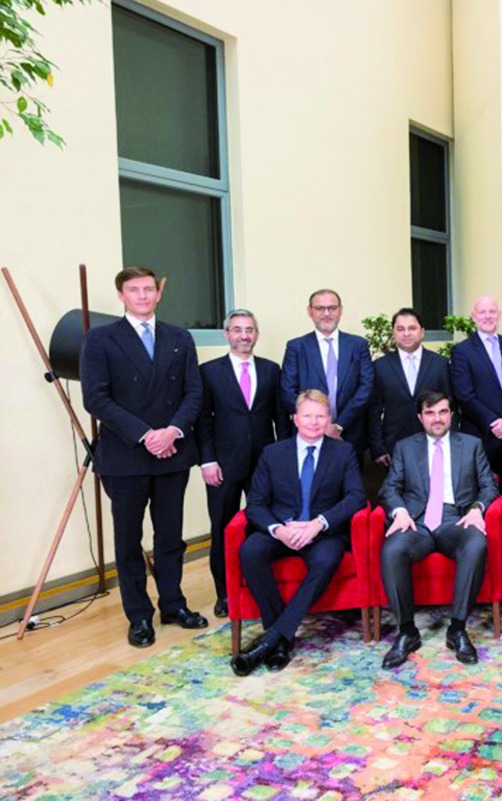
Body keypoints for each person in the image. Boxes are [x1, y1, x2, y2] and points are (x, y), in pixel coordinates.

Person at [81, 266, 208, 648]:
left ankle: (173, 604)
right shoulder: (100, 339)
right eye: (134, 290)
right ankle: (139, 616)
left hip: (173, 453)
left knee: (170, 538)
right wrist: (145, 435)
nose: (142, 296)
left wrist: (172, 431)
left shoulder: (178, 337)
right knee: (128, 541)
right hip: (125, 456)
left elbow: (194, 392)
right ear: (121, 295)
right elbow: (96, 398)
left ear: (158, 293)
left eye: (148, 289)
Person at [233, 390, 366, 676]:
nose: (314, 422)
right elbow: (255, 503)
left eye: (320, 416)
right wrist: (278, 530)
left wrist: (319, 523)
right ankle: (282, 637)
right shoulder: (273, 453)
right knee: (250, 551)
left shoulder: (343, 452)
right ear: (295, 419)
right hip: (283, 530)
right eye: (308, 415)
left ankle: (272, 639)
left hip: (323, 532)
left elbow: (356, 496)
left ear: (329, 419)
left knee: (326, 561)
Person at [378, 391, 500, 668]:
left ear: (451, 415)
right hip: (415, 521)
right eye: (430, 413)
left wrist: (477, 508)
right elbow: (390, 488)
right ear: (420, 417)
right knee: (392, 550)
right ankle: (407, 631)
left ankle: (457, 628)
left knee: (476, 544)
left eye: (443, 412)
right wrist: (399, 512)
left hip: (455, 520)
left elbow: (489, 485)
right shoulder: (405, 447)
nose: (437, 418)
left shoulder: (471, 445)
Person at [196, 309, 284, 619]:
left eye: (249, 330)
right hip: (223, 464)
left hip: (265, 464)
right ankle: (225, 593)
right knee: (222, 528)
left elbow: (280, 419)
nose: (243, 335)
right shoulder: (208, 371)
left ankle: (262, 587)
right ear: (226, 334)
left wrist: (284, 461)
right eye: (237, 330)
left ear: (256, 334)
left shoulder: (272, 370)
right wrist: (206, 460)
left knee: (267, 524)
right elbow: (202, 421)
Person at [449, 295, 502, 496]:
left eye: (492, 311)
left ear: (499, 315)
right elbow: (464, 395)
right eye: (482, 312)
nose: (488, 316)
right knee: (478, 497)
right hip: (480, 437)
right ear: (473, 317)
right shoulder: (462, 351)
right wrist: (496, 424)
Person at [281, 289, 375, 456]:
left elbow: (366, 388)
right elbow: (288, 391)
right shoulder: (296, 347)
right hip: (308, 435)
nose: (326, 313)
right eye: (319, 308)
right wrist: (317, 424)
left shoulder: (358, 345)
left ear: (340, 310)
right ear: (309, 311)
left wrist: (338, 425)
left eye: (332, 308)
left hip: (350, 434)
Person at [366, 308, 451, 467]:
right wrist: (378, 447)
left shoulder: (440, 364)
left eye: (412, 328)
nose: (406, 333)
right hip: (394, 448)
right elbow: (373, 410)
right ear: (393, 333)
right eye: (400, 329)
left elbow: (451, 405)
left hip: (435, 443)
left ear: (422, 332)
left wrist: (450, 440)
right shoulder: (380, 366)